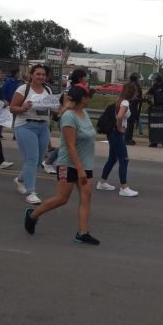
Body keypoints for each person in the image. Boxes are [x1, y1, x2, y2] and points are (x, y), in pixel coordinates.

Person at [23, 83, 100, 245]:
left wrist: (84, 167)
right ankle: (32, 216)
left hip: (85, 164)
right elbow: (70, 145)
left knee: (86, 197)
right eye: (88, 96)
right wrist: (79, 169)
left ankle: (82, 233)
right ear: (82, 99)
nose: (90, 98)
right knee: (62, 199)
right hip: (68, 164)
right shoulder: (68, 117)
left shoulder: (84, 113)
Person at [10, 64, 56, 205]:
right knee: (32, 158)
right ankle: (31, 193)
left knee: (38, 160)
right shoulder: (23, 89)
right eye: (38, 74)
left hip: (43, 126)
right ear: (31, 75)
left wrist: (55, 108)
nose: (41, 77)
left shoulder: (48, 89)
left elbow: (52, 109)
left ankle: (20, 180)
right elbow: (12, 108)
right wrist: (23, 107)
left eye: (43, 74)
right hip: (25, 126)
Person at [96, 83, 139, 197]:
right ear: (133, 93)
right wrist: (119, 127)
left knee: (112, 159)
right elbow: (119, 117)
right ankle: (124, 188)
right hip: (116, 134)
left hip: (112, 134)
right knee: (124, 160)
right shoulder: (125, 102)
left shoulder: (120, 99)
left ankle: (102, 182)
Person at [146, 72, 163, 148]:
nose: (153, 81)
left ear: (158, 79)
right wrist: (148, 99)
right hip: (156, 109)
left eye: (154, 79)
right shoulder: (154, 86)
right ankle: (154, 141)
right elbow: (148, 94)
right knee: (155, 125)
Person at [124, 72, 143, 145]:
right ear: (135, 79)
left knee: (130, 123)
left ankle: (129, 138)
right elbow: (133, 97)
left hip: (129, 105)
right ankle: (127, 139)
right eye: (138, 79)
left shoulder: (127, 85)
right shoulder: (134, 86)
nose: (139, 80)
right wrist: (139, 99)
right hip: (131, 106)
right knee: (130, 123)